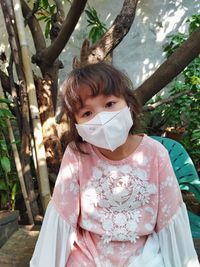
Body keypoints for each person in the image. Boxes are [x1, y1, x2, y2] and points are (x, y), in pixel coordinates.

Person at [30, 62, 199, 267]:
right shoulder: (77, 155)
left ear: (128, 103)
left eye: (109, 104)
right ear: (76, 125)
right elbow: (63, 217)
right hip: (87, 256)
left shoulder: (156, 154)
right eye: (87, 113)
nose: (102, 118)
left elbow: (169, 218)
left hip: (145, 256)